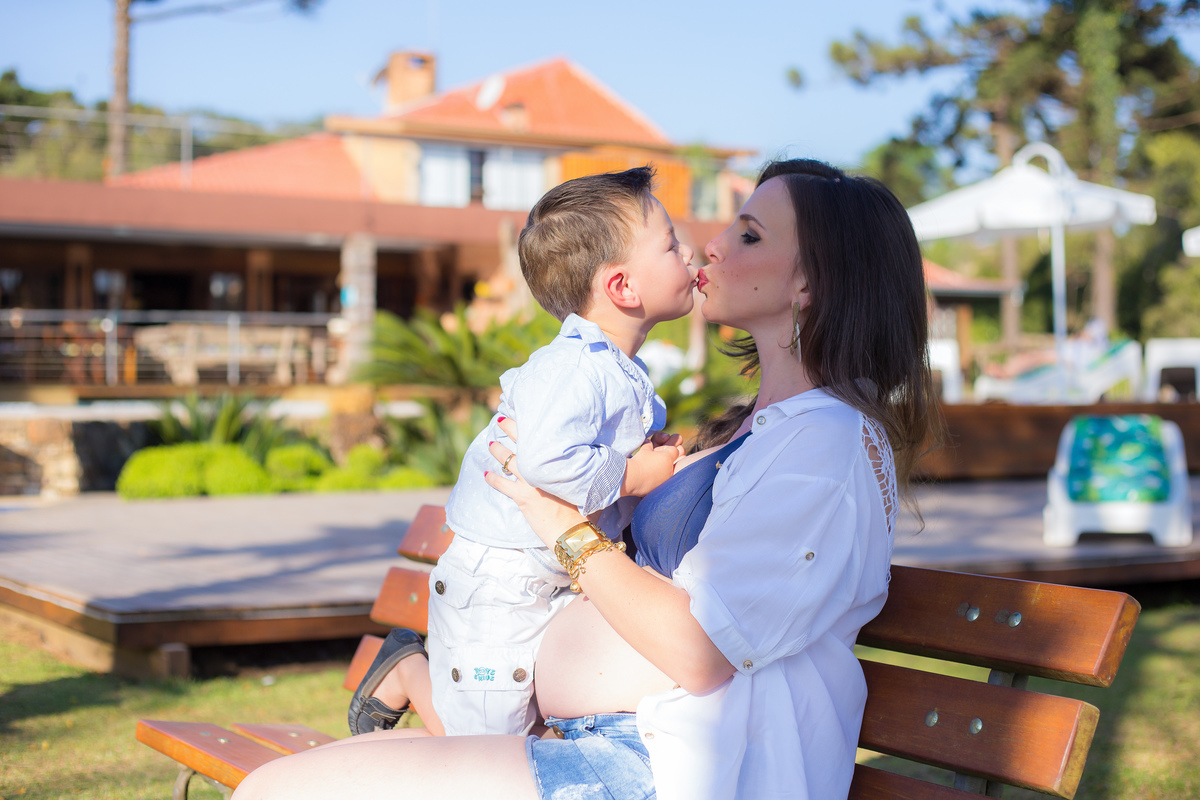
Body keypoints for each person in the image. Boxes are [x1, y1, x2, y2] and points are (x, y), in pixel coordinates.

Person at [233, 158, 938, 800]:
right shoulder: (767, 428)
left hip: (660, 769)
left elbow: (700, 652)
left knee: (277, 795)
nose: (712, 245)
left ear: (810, 281)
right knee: (276, 788)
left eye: (749, 235)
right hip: (587, 741)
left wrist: (556, 521)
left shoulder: (826, 442)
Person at [348, 166, 697, 738]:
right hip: (500, 581)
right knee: (488, 738)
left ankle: (414, 672)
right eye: (670, 245)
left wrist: (644, 451)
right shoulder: (573, 368)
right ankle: (410, 671)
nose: (690, 253)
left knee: (517, 730)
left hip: (544, 572)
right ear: (622, 287)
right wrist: (633, 474)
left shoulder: (614, 369)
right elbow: (544, 461)